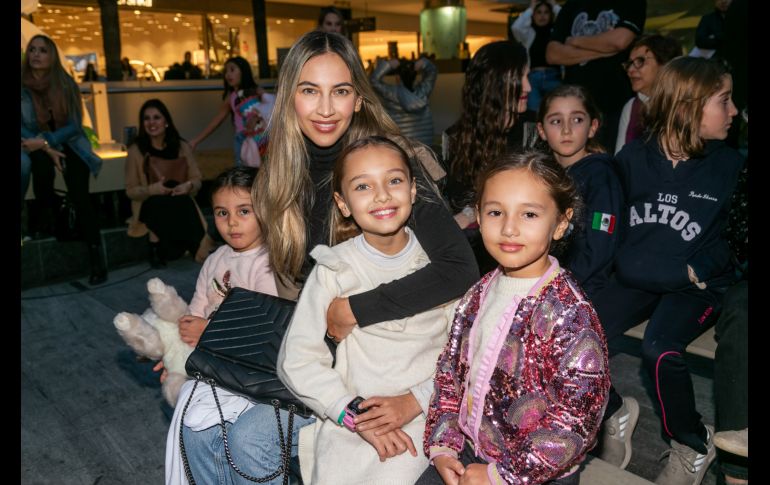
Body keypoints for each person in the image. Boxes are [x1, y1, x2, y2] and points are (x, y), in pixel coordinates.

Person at [172, 30, 478, 485]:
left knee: (248, 441)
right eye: (310, 91)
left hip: (380, 363)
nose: (326, 108)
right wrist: (217, 335)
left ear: (358, 97)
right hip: (312, 360)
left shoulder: (388, 166)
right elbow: (285, 293)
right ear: (289, 96)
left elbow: (460, 270)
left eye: (340, 91)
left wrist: (353, 309)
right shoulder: (281, 176)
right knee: (197, 433)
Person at [589, 57, 743, 485]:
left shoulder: (731, 165)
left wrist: (698, 268)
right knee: (573, 338)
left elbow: (739, 240)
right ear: (687, 106)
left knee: (661, 350)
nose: (734, 112)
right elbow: (608, 225)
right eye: (725, 101)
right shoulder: (632, 157)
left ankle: (692, 443)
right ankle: (614, 412)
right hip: (636, 279)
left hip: (694, 288)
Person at [418, 151, 610, 485]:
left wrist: (499, 475)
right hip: (468, 449)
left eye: (529, 214)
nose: (509, 228)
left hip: (537, 471)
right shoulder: (477, 294)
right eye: (495, 212)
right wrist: (444, 444)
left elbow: (576, 418)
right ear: (478, 215)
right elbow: (449, 374)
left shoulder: (570, 314)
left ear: (561, 223)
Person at [277, 136, 456, 483]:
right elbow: (297, 359)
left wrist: (416, 400)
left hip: (427, 414)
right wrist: (353, 415)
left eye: (394, 180)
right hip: (352, 421)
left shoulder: (440, 266)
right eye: (363, 186)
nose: (382, 195)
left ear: (414, 190)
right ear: (343, 204)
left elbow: (464, 356)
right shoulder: (333, 269)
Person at [162, 166, 279, 485]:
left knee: (209, 429)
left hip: (250, 373)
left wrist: (209, 334)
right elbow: (196, 311)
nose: (232, 222)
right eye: (221, 213)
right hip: (214, 364)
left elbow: (265, 332)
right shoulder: (216, 259)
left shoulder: (268, 262)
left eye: (244, 211)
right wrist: (172, 352)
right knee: (191, 428)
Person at [21, 34, 107, 285]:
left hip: (69, 142)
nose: (36, 55)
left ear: (52, 56)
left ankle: (96, 255)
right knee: (42, 173)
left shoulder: (65, 83)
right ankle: (55, 220)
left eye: (43, 50)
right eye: (33, 50)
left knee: (80, 193)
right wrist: (44, 146)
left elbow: (74, 125)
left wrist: (48, 141)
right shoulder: (21, 83)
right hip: (35, 143)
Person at [442, 39, 532, 272]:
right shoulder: (455, 138)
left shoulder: (533, 131)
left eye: (527, 77)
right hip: (472, 251)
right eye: (520, 78)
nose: (528, 87)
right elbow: (455, 202)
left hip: (521, 242)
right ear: (496, 82)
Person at [536, 84, 622, 298]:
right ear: (541, 130)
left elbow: (600, 244)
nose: (566, 130)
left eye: (577, 120)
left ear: (592, 127)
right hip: (544, 279)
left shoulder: (601, 177)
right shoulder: (541, 174)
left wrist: (558, 285)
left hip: (584, 288)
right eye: (556, 121)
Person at [125, 98, 216, 267]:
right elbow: (130, 190)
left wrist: (187, 186)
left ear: (166, 121)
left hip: (179, 200)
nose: (151, 122)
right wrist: (153, 189)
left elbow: (197, 179)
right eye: (147, 118)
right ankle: (155, 248)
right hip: (150, 203)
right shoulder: (136, 150)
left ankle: (192, 246)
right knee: (158, 202)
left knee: (181, 199)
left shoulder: (181, 146)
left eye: (156, 117)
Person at [546, 0, 646, 154]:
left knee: (611, 165)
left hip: (614, 105)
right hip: (574, 105)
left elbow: (620, 41)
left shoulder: (631, 3)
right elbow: (552, 54)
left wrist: (575, 41)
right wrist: (603, 49)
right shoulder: (572, 5)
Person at [189, 56, 275, 167]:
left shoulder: (256, 90)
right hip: (242, 140)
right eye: (226, 71)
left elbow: (272, 106)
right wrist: (196, 140)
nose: (228, 74)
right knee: (244, 175)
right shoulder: (231, 98)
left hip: (262, 139)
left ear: (243, 71)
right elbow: (216, 121)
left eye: (232, 70)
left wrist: (258, 115)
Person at [615, 34, 682, 154]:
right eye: (629, 63)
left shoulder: (685, 105)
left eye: (640, 61)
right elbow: (619, 160)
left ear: (665, 65)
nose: (630, 70)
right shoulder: (630, 107)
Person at [370, 54, 437, 147]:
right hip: (425, 148)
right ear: (415, 76)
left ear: (397, 77)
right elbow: (432, 71)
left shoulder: (391, 94)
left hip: (402, 148)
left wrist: (388, 65)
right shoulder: (424, 92)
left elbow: (373, 80)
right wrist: (424, 62)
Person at [511, 0, 562, 116]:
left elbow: (567, 20)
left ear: (551, 15)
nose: (542, 16)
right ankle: (533, 135)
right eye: (538, 12)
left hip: (554, 77)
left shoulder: (557, 32)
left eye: (546, 12)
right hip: (533, 78)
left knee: (556, 111)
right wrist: (531, 7)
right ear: (533, 15)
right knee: (533, 114)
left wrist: (554, 5)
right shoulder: (528, 33)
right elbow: (516, 28)